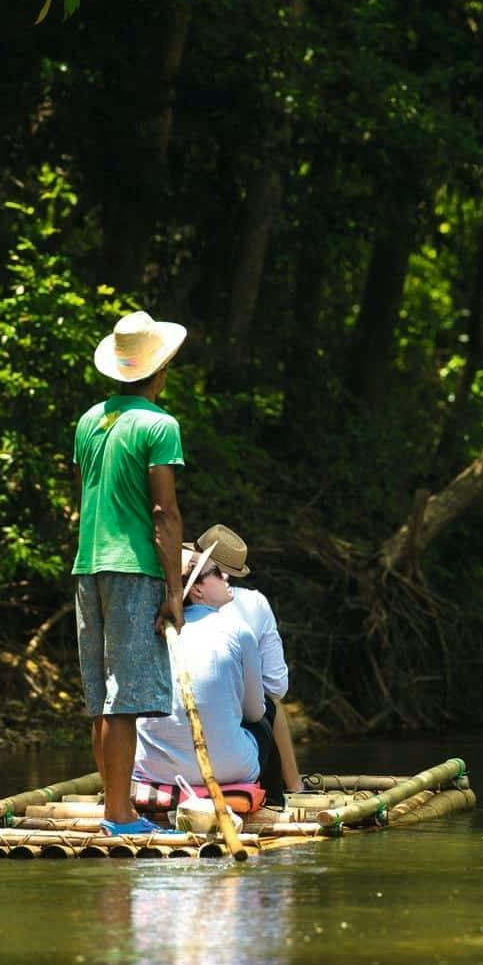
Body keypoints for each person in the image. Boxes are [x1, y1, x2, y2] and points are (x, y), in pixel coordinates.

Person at [71, 309, 188, 835]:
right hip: (133, 568)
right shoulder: (160, 425)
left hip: (88, 565)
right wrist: (175, 590)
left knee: (102, 696)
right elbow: (163, 513)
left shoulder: (89, 420)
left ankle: (113, 806)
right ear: (158, 371)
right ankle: (119, 814)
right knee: (126, 699)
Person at [186, 524, 303, 794]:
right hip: (229, 731)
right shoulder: (251, 608)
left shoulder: (166, 607)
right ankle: (289, 790)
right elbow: (274, 690)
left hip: (168, 740)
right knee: (270, 707)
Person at [134, 551, 264, 789]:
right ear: (197, 591)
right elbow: (255, 713)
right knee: (267, 719)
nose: (225, 574)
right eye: (215, 572)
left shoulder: (148, 633)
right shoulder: (238, 630)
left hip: (153, 771)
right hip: (227, 770)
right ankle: (275, 799)